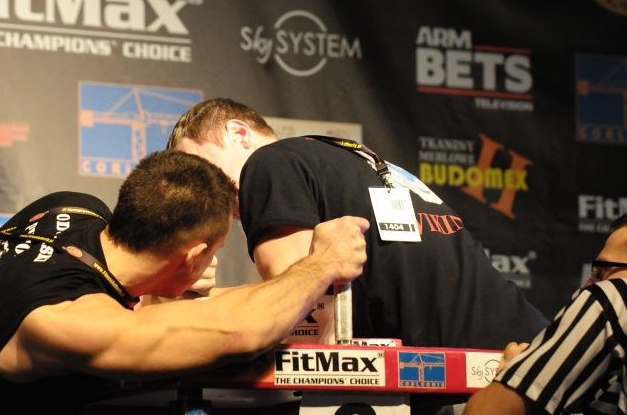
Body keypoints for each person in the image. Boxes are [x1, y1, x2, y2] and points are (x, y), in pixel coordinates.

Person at [0, 150, 368, 415]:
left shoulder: (68, 210)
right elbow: (238, 332)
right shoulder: (61, 321)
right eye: (213, 254)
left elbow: (124, 300)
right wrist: (321, 263)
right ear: (192, 257)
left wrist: (164, 292)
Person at [168, 98, 549, 412]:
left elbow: (292, 305)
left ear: (238, 133)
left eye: (202, 169)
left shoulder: (267, 163)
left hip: (489, 386)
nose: (208, 192)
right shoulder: (350, 160)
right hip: (529, 355)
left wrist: (195, 305)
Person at [464, 214, 627, 415]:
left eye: (601, 272)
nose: (586, 286)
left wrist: (513, 376)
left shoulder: (612, 297)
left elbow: (487, 411)